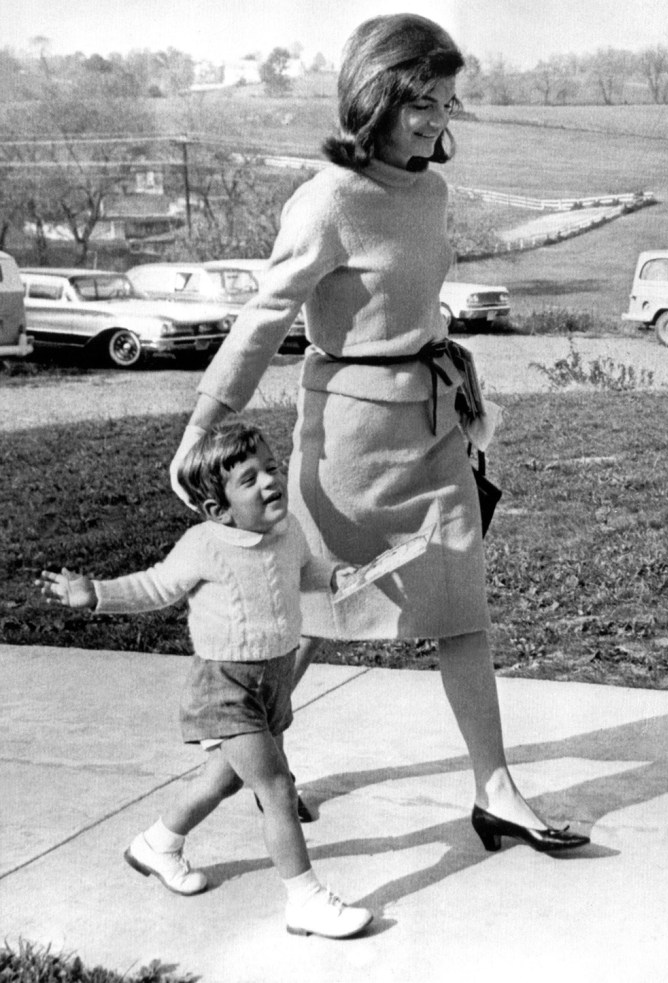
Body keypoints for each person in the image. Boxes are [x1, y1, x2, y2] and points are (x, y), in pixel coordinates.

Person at [171, 14, 590, 854]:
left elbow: (417, 307)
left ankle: (496, 789)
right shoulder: (326, 200)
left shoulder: (429, 191)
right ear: (374, 100)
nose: (439, 120)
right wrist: (204, 423)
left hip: (436, 429)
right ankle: (254, 766)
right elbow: (264, 318)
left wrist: (466, 411)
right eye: (420, 104)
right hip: (352, 445)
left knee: (461, 605)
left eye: (445, 102)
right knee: (312, 614)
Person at [38, 421, 373, 940]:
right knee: (278, 788)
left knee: (224, 779)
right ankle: (305, 900)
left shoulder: (289, 532)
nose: (269, 481)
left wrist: (333, 575)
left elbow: (302, 569)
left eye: (271, 467)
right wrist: (97, 593)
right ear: (218, 509)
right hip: (225, 686)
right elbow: (155, 586)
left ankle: (157, 842)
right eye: (249, 478)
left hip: (272, 679)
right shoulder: (205, 544)